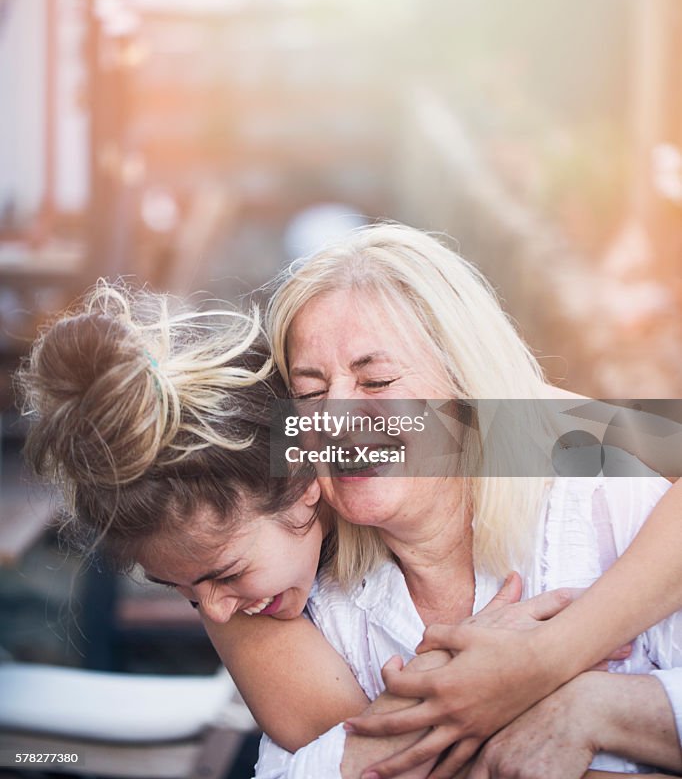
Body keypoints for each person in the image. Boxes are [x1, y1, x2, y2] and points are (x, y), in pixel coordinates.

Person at [18, 259, 682, 777]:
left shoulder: (541, 457)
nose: (337, 418)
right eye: (310, 393)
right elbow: (331, 758)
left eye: (375, 381)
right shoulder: (249, 566)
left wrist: (552, 667)